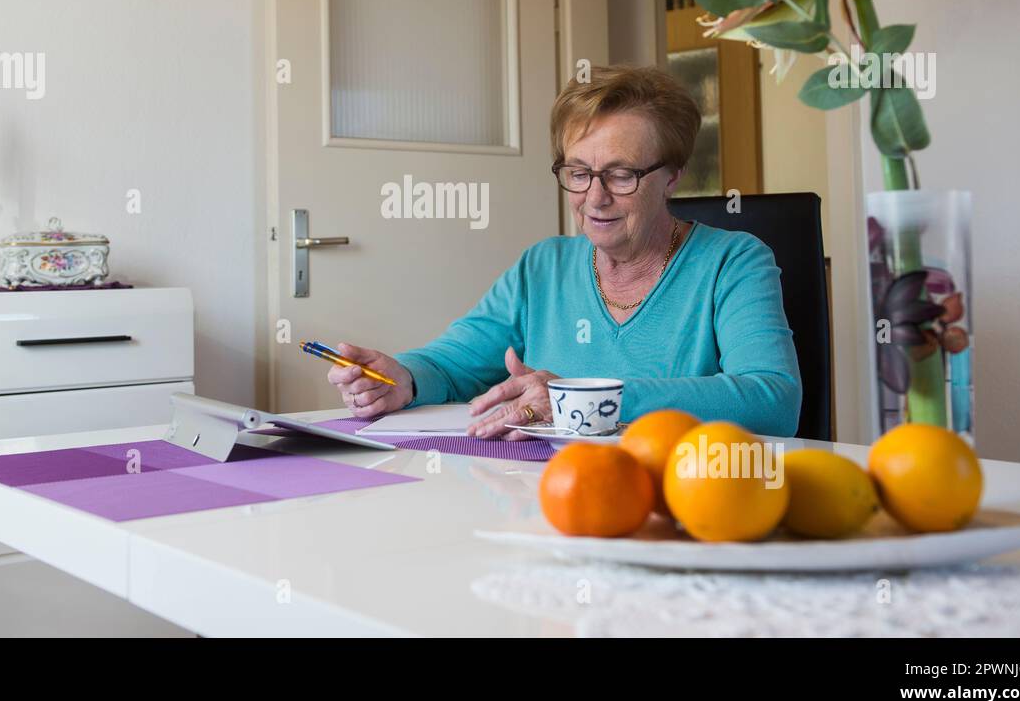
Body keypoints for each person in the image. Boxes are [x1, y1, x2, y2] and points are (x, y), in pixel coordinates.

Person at [325, 65, 801, 439]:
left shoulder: (734, 262)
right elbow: (454, 362)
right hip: (550, 499)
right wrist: (401, 378)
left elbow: (772, 400)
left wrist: (583, 398)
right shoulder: (544, 267)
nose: (595, 197)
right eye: (578, 172)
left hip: (681, 502)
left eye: (621, 175)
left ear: (672, 175)